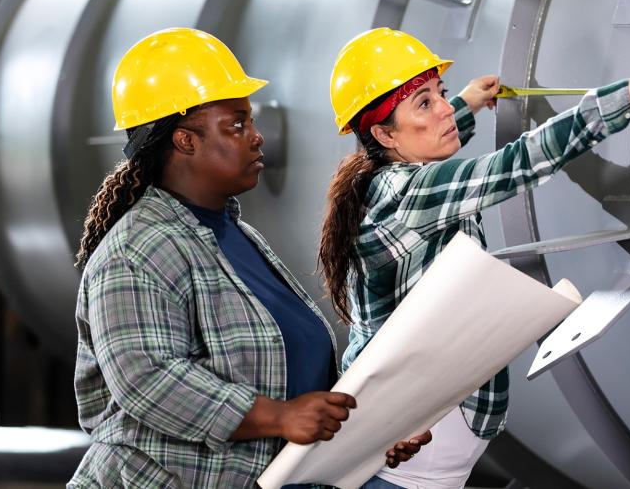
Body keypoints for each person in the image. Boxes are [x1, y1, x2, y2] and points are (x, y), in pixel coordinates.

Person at [318, 27, 630, 488]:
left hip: (418, 464)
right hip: (402, 472)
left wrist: (467, 104)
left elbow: (440, 159)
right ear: (384, 133)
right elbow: (512, 165)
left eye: (441, 94)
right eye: (424, 104)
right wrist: (628, 94)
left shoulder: (388, 175)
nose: (444, 109)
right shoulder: (408, 194)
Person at [69, 28, 428, 488]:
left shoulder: (234, 235)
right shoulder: (137, 250)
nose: (257, 138)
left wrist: (366, 431)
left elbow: (290, 368)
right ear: (185, 141)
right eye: (237, 125)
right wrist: (279, 417)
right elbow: (148, 380)